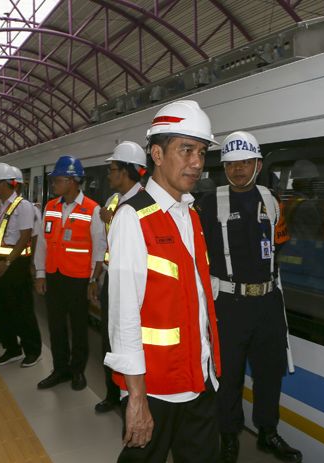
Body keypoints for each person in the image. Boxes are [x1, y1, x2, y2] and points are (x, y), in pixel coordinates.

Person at [105, 100, 222, 462]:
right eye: (185, 150)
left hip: (199, 379)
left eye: (201, 152)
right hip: (157, 388)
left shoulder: (192, 215)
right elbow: (123, 317)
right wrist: (135, 398)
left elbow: (199, 298)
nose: (197, 162)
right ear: (157, 153)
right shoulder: (133, 218)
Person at [197, 131, 300, 463]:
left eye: (245, 162)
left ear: (258, 163)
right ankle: (229, 437)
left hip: (268, 303)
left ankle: (268, 432)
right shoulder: (209, 204)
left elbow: (278, 245)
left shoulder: (271, 200)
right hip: (230, 305)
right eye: (231, 164)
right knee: (228, 378)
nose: (238, 169)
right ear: (223, 167)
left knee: (270, 373)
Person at [34, 155, 104, 391]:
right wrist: (41, 274)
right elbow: (43, 243)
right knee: (56, 326)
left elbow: (99, 248)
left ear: (73, 181)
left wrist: (93, 280)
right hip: (54, 275)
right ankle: (60, 369)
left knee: (78, 327)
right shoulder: (51, 207)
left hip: (78, 279)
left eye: (58, 180)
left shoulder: (92, 210)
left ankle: (77, 371)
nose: (53, 184)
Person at [88, 141, 147, 413]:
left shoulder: (147, 203)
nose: (108, 175)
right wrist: (95, 277)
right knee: (110, 340)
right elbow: (104, 245)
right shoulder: (113, 202)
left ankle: (134, 397)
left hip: (137, 283)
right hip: (112, 279)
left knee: (133, 341)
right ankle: (114, 394)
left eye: (112, 169)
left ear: (125, 171)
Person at [0, 163, 42, 368]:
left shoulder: (23, 206)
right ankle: (12, 349)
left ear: (5, 184)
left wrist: (7, 263)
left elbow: (26, 236)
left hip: (15, 265)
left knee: (22, 309)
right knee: (1, 309)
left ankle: (33, 349)